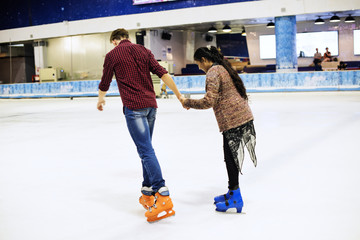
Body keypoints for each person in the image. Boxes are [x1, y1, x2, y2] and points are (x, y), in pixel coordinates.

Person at [97, 28, 184, 222]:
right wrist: (178, 95)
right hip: (151, 107)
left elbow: (104, 82)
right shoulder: (144, 51)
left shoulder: (112, 55)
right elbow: (163, 73)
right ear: (127, 38)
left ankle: (163, 195)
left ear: (115, 41)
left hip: (134, 108)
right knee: (147, 149)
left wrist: (100, 100)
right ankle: (147, 191)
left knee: (145, 151)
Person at [180, 46, 257, 213]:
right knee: (230, 158)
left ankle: (236, 197)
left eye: (199, 63)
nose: (199, 67)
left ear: (205, 60)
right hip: (240, 117)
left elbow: (209, 101)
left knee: (230, 159)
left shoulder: (213, 72)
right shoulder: (222, 67)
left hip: (233, 120)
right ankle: (232, 192)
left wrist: (188, 102)